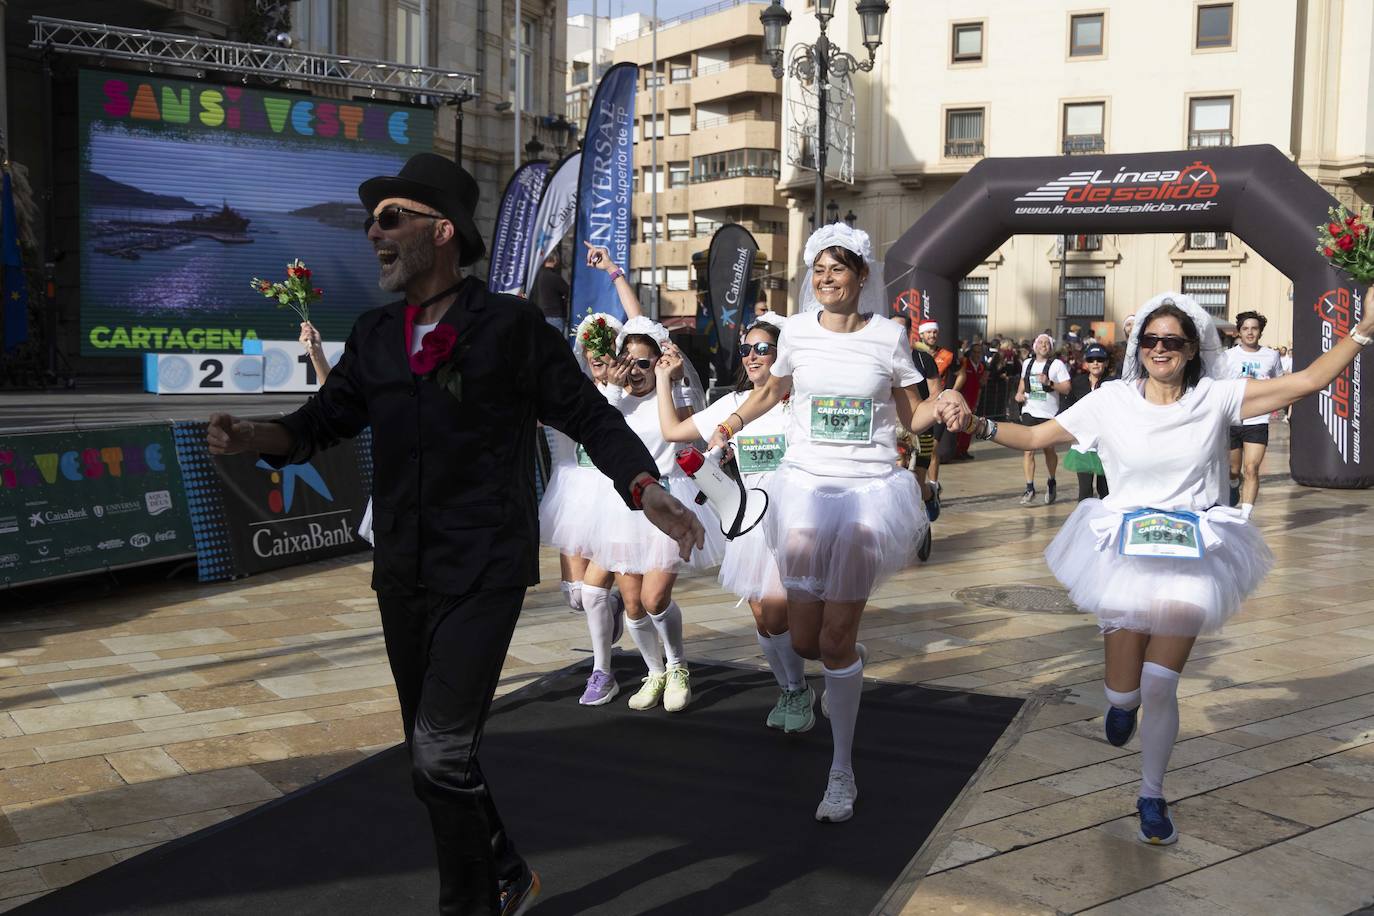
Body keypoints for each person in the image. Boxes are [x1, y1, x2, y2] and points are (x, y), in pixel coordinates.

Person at [205, 153, 705, 916]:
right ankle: (505, 868)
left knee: (438, 754)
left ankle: (468, 904)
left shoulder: (509, 327)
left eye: (390, 217)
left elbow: (590, 416)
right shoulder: (374, 333)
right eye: (372, 219)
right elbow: (319, 425)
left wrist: (646, 489)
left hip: (483, 567)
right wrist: (253, 436)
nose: (374, 231)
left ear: (442, 232)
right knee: (433, 757)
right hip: (402, 568)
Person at [958, 290, 1374, 847]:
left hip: (1190, 553)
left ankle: (1151, 794)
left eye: (1172, 341)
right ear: (1138, 347)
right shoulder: (1109, 401)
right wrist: (977, 424)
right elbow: (1035, 436)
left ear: (1191, 350)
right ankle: (1119, 705)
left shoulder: (1216, 397)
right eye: (1150, 340)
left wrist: (1365, 327)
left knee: (1160, 686)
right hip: (1124, 553)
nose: (1160, 349)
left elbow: (1307, 381)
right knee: (1125, 691)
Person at [708, 224, 970, 823]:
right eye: (818, 270)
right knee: (804, 642)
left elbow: (913, 413)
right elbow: (773, 390)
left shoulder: (888, 336)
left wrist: (947, 404)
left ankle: (841, 771)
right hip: (802, 489)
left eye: (838, 269)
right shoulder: (794, 332)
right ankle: (844, 657)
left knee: (830, 643)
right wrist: (727, 427)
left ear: (861, 276)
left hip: (866, 493)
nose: (826, 280)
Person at [656, 313, 813, 731]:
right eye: (746, 349)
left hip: (798, 518)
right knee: (764, 617)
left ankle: (829, 668)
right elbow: (672, 430)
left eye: (763, 348)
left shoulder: (801, 401)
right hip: (752, 522)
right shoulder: (732, 405)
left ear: (783, 355)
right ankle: (793, 691)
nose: (752, 356)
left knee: (783, 616)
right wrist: (664, 380)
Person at [581, 315, 727, 714]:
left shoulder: (672, 396)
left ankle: (678, 665)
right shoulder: (616, 397)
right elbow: (599, 432)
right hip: (627, 505)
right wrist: (613, 384)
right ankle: (654, 670)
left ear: (660, 363)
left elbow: (675, 433)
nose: (634, 371)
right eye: (628, 361)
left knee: (654, 596)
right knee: (631, 604)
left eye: (644, 363)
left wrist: (668, 378)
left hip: (668, 498)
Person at [537, 244, 646, 706]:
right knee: (576, 596)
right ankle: (612, 608)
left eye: (604, 352)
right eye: (589, 352)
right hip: (570, 498)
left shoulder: (626, 393)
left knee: (592, 592)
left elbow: (645, 328)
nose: (596, 360)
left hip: (612, 499)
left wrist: (615, 273)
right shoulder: (564, 392)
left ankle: (603, 671)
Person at [1226, 311, 1285, 508]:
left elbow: (1278, 383)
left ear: (1260, 332)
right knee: (1233, 470)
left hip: (1258, 420)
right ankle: (1234, 482)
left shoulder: (1271, 355)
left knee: (1251, 468)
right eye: (1245, 329)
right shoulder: (1228, 356)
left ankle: (1245, 515)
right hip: (1233, 419)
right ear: (1239, 333)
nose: (1250, 333)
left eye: (1254, 329)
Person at [1013, 332, 1071, 505]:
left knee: (1048, 450)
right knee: (1028, 450)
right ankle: (1029, 487)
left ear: (1051, 348)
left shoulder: (1057, 365)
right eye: (1040, 342)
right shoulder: (1027, 363)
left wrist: (1050, 384)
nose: (1043, 345)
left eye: (1046, 343)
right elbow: (1024, 381)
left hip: (1048, 414)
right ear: (1035, 346)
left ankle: (1051, 480)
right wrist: (1019, 393)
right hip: (1029, 410)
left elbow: (1067, 388)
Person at [1061, 342, 1111, 500]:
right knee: (1085, 492)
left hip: (1106, 445)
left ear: (1106, 362)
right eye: (1091, 359)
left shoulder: (1113, 384)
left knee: (1106, 491)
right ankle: (1084, 523)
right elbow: (1066, 409)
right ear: (1086, 363)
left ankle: (1108, 523)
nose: (1095, 363)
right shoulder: (1078, 383)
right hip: (1083, 444)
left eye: (1099, 359)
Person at [952, 341, 987, 459]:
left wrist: (977, 401)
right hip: (962, 399)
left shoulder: (981, 367)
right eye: (975, 352)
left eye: (979, 352)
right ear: (971, 352)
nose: (977, 355)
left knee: (969, 424)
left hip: (973, 400)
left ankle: (964, 449)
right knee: (960, 424)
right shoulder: (964, 363)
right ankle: (956, 451)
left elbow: (980, 384)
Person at [530, 249, 570, 335]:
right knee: (556, 345)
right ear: (555, 260)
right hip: (555, 316)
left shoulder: (538, 276)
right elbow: (569, 291)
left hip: (541, 315)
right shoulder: (554, 277)